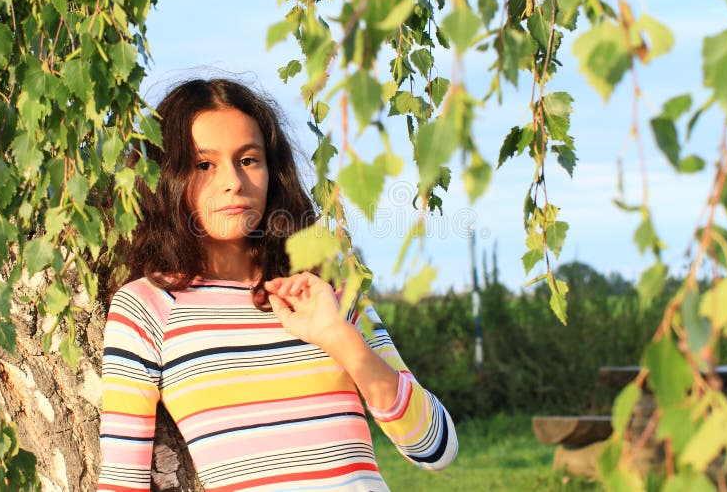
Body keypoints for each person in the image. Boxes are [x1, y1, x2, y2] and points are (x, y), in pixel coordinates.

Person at [97, 79, 458, 491]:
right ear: (167, 176)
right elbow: (121, 479)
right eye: (203, 165)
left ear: (272, 169)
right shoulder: (147, 306)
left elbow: (437, 448)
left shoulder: (323, 283)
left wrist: (338, 336)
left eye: (249, 160)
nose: (233, 181)